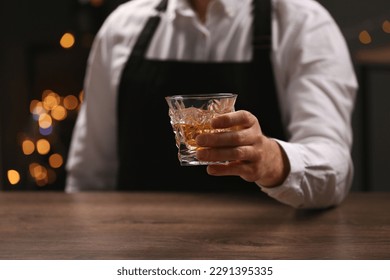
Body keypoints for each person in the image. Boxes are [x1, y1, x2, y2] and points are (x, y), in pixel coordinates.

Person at [65, 0, 358, 209]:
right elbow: (89, 176)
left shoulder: (303, 23)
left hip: (266, 254)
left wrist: (272, 160)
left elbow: (334, 169)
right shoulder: (121, 27)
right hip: (137, 251)